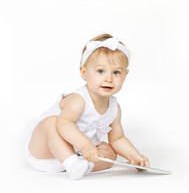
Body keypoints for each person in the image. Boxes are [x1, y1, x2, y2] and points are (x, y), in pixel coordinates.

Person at [25, 33, 150, 180]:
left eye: (116, 72)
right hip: (44, 151)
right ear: (84, 73)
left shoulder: (114, 108)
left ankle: (83, 166)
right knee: (52, 122)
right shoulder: (79, 99)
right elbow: (64, 124)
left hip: (77, 152)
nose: (108, 79)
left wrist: (134, 156)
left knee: (110, 152)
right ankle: (71, 163)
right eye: (100, 71)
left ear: (125, 75)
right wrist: (85, 146)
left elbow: (117, 139)